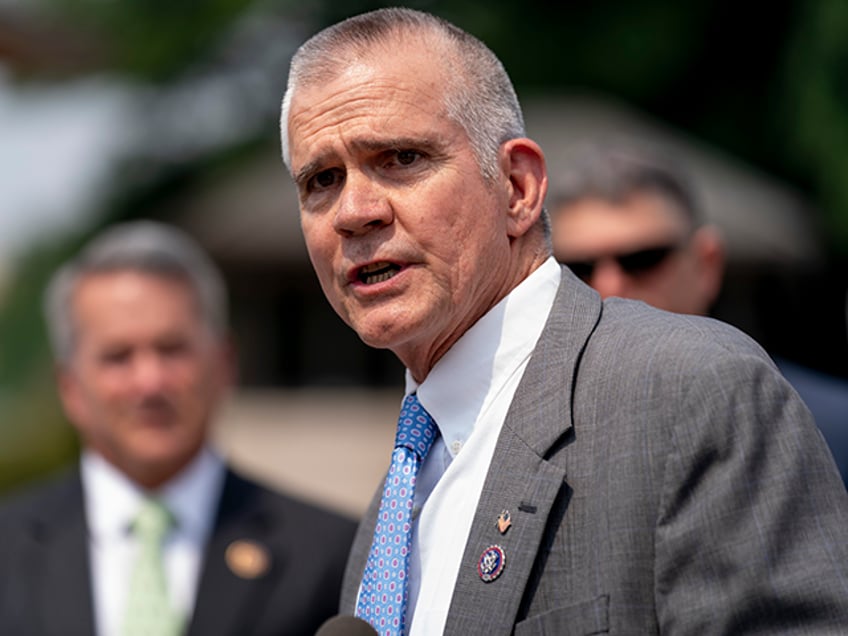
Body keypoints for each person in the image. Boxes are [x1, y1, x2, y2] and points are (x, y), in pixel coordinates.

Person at [279, 7, 848, 635]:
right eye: (322, 180)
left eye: (401, 158)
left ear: (519, 187)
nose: (354, 212)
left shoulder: (692, 391)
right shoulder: (390, 513)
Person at [0, 221, 356, 636]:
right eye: (118, 356)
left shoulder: (330, 557)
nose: (150, 382)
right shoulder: (7, 552)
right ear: (70, 388)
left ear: (223, 363)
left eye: (172, 349)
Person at [549, 144, 848, 486]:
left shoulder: (832, 429)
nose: (610, 287)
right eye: (577, 267)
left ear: (707, 264)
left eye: (644, 259)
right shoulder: (523, 436)